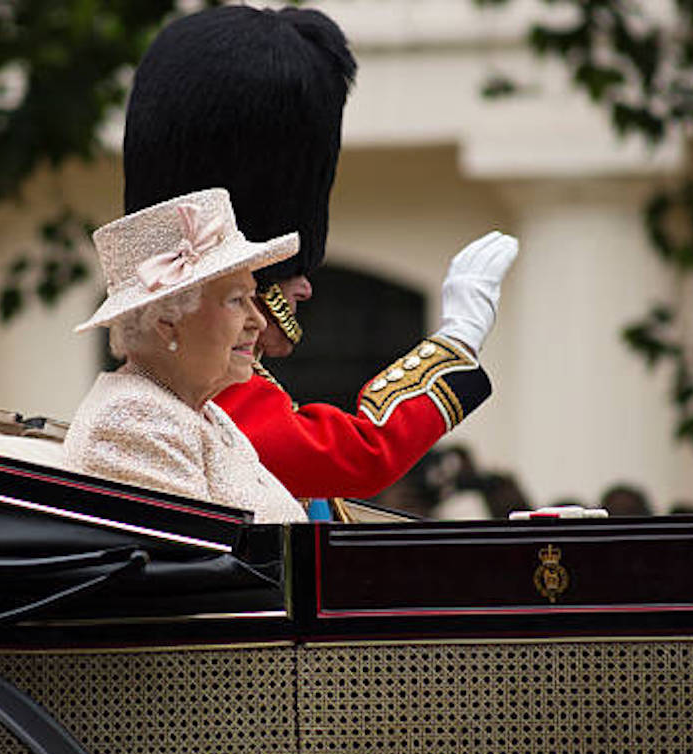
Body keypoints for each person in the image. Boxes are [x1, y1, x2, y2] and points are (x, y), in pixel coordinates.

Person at [124, 5, 517, 502]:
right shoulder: (209, 393)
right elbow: (359, 454)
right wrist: (456, 343)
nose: (305, 285)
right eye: (290, 270)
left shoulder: (216, 381)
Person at [63, 188, 307, 524]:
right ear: (167, 322)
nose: (259, 321)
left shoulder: (201, 412)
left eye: (253, 298)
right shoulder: (135, 419)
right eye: (237, 300)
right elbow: (210, 568)